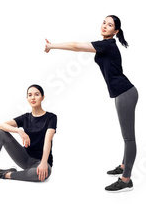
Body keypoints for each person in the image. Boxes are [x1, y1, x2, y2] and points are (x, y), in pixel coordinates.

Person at [44, 15, 138, 192]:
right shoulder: (106, 44)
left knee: (129, 137)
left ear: (115, 31)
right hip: (122, 93)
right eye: (104, 22)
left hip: (125, 93)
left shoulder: (107, 45)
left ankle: (126, 180)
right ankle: (124, 165)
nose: (104, 26)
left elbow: (75, 46)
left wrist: (51, 46)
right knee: (126, 136)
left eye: (109, 25)